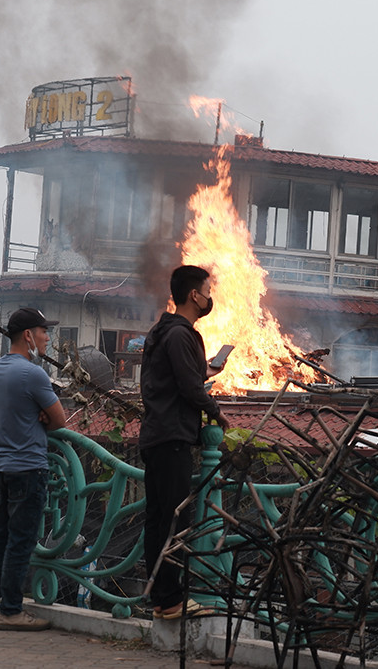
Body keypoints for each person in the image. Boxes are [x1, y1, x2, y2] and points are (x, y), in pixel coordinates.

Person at [139, 265, 230, 620]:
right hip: (172, 436)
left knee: (159, 518)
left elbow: (181, 377)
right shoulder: (180, 335)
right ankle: (170, 599)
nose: (210, 297)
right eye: (207, 290)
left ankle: (161, 599)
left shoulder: (165, 332)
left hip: (158, 435)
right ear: (194, 295)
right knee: (173, 520)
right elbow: (190, 389)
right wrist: (216, 411)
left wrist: (204, 370)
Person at [0, 307, 67, 630]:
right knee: (21, 541)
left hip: (1, 466)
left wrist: (36, 412)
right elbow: (59, 419)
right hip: (29, 467)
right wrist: (42, 414)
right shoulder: (33, 374)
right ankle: (11, 611)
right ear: (28, 336)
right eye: (43, 332)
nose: (47, 338)